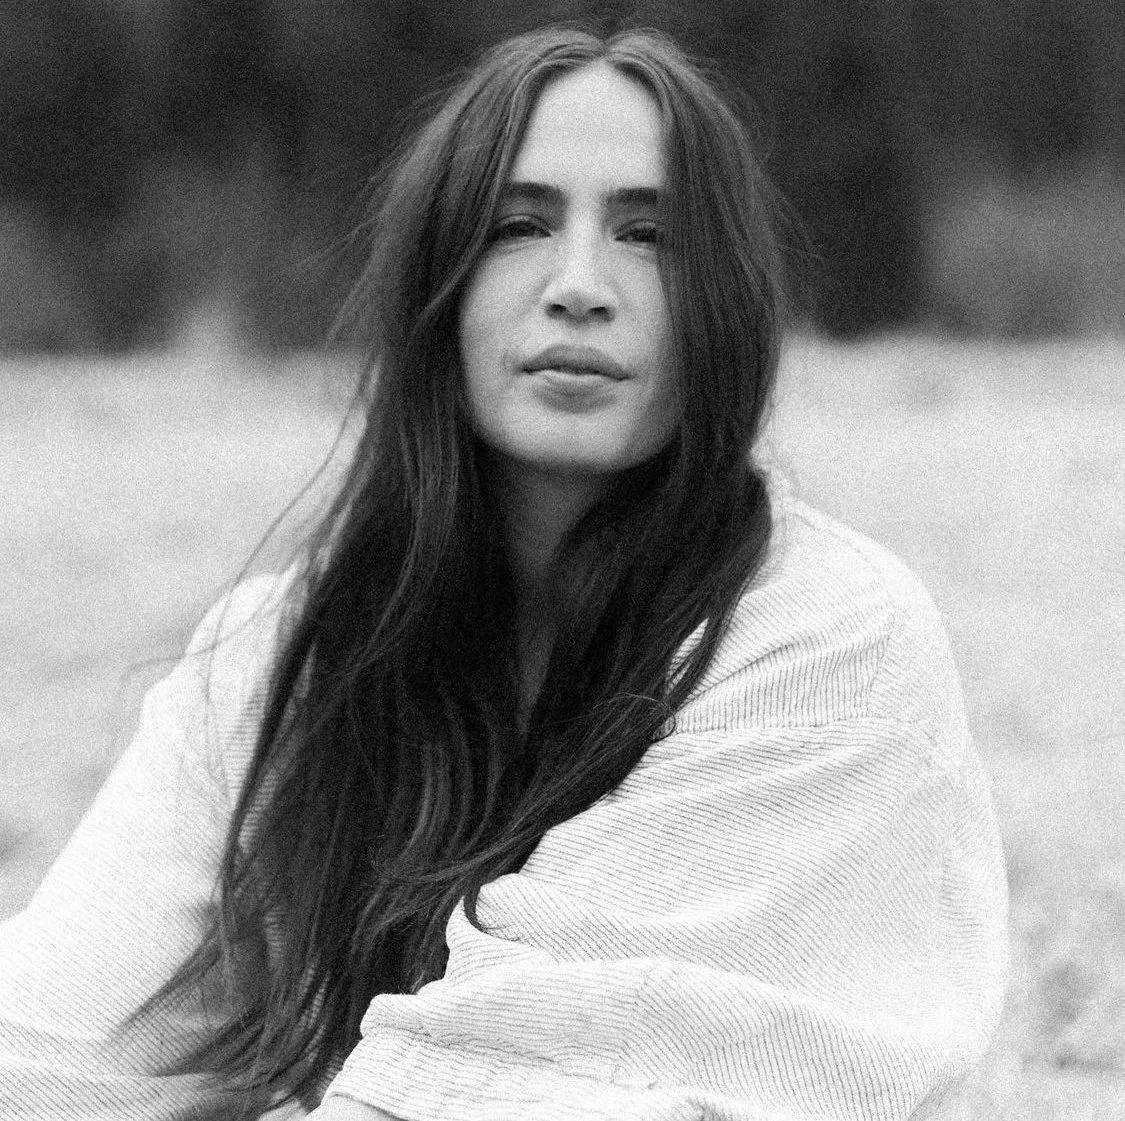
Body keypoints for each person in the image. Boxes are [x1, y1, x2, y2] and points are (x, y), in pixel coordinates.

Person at [0, 24, 1007, 1121]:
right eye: (518, 226)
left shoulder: (824, 645)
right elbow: (45, 1050)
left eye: (650, 235)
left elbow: (517, 1084)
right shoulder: (277, 651)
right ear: (437, 284)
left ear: (724, 303)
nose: (580, 286)